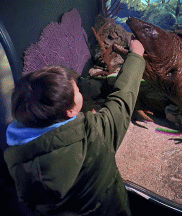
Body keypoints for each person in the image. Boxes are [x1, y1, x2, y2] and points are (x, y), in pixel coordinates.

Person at [4, 39, 145, 216]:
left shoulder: (15, 157)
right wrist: (136, 56)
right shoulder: (94, 135)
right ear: (70, 111)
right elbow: (123, 99)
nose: (80, 90)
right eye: (77, 91)